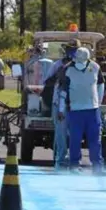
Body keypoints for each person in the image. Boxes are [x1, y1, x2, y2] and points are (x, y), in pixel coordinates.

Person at [58, 46, 105, 172]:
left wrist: (98, 102)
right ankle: (74, 165)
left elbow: (100, 84)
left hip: (92, 110)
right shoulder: (67, 69)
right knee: (75, 138)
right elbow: (62, 90)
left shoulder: (95, 67)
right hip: (75, 109)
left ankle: (97, 166)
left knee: (95, 139)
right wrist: (61, 109)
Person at [42, 39, 80, 169]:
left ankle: (74, 161)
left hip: (77, 105)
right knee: (60, 133)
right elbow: (46, 83)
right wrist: (58, 76)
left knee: (76, 133)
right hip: (59, 103)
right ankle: (60, 159)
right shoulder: (57, 65)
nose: (72, 52)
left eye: (74, 49)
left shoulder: (83, 66)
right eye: (70, 49)